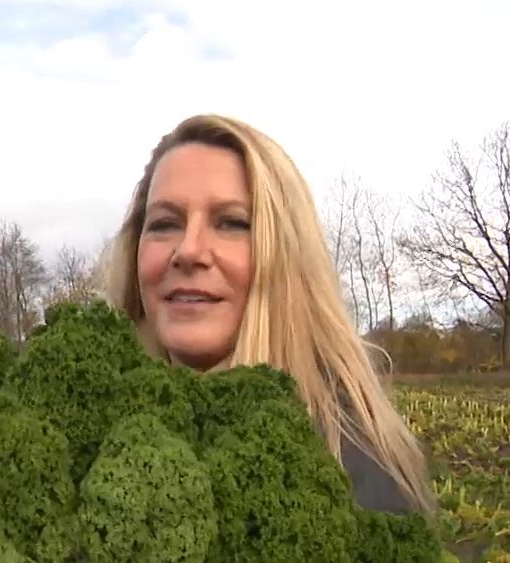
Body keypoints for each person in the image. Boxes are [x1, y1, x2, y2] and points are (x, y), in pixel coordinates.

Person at [103, 113, 437, 519]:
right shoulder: (99, 434)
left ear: (287, 256)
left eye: (231, 223)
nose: (188, 250)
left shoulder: (353, 475)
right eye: (164, 224)